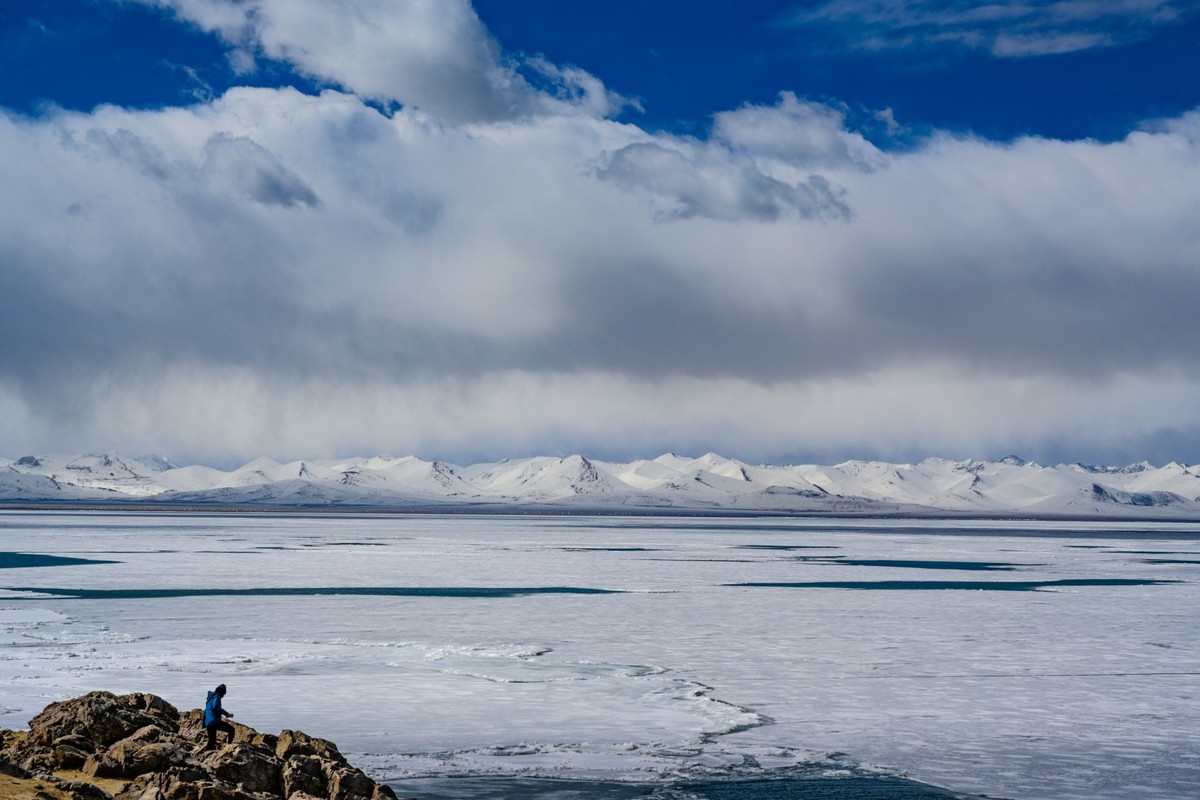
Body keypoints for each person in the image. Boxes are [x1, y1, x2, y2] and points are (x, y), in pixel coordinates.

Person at [203, 683, 235, 750]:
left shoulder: (209, 699)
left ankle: (207, 753)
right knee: (231, 729)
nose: (223, 696)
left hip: (208, 723)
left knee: (212, 740)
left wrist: (204, 724)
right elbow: (215, 707)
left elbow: (205, 712)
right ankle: (229, 747)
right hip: (214, 722)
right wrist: (226, 714)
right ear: (222, 692)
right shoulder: (217, 697)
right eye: (223, 694)